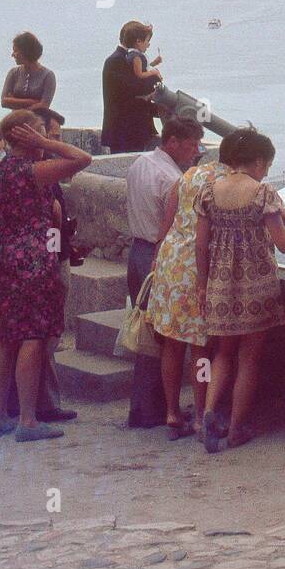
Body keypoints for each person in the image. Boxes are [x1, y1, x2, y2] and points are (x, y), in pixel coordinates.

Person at [194, 128, 285, 453]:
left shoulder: (209, 191)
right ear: (259, 160)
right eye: (267, 165)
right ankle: (235, 430)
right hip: (255, 286)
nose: (268, 171)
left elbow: (201, 245)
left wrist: (202, 287)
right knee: (249, 358)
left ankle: (208, 413)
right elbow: (284, 243)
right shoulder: (262, 194)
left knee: (222, 354)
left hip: (220, 285)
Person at [0, 109, 91, 441]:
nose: (46, 137)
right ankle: (27, 420)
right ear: (27, 135)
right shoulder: (35, 173)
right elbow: (83, 159)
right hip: (34, 260)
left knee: (2, 338)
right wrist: (44, 143)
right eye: (40, 132)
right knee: (32, 337)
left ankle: (0, 415)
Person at [146, 136, 234, 440]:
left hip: (171, 262)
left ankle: (172, 411)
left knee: (172, 343)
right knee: (201, 348)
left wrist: (158, 256)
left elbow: (168, 219)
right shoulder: (226, 183)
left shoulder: (189, 174)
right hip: (198, 266)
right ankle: (199, 414)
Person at [124, 116, 204, 428]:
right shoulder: (174, 180)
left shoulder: (139, 164)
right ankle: (152, 410)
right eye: (191, 145)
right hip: (161, 256)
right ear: (171, 142)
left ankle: (148, 407)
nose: (195, 151)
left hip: (136, 250)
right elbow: (173, 226)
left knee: (149, 334)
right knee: (163, 338)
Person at [2, 107, 78, 424]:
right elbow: (81, 160)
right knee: (42, 336)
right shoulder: (37, 171)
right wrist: (55, 256)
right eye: (49, 134)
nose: (52, 140)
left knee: (17, 337)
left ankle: (18, 405)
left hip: (12, 259)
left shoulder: (0, 174)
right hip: (43, 260)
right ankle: (37, 406)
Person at [102, 20, 162, 154]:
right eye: (146, 40)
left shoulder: (126, 58)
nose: (148, 44)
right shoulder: (117, 60)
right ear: (137, 41)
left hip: (133, 128)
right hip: (124, 130)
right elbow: (133, 90)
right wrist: (154, 76)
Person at [0, 31, 57, 111]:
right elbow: (4, 101)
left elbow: (44, 105)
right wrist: (32, 102)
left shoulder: (48, 75)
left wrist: (14, 101)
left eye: (15, 51)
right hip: (15, 119)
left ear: (26, 52)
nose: (12, 54)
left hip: (38, 121)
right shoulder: (13, 73)